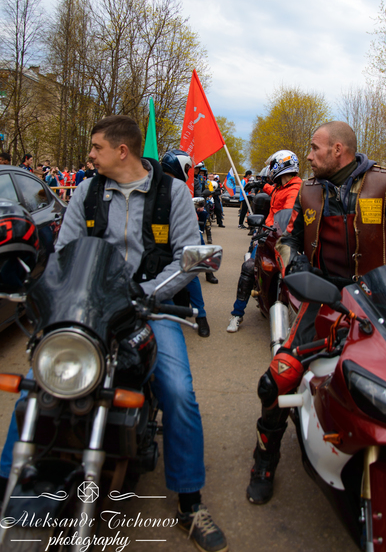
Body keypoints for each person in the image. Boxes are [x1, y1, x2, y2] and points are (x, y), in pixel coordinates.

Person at [0, 116, 227, 552]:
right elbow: (64, 252)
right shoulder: (87, 191)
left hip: (149, 306)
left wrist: (144, 294)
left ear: (122, 150)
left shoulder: (173, 193)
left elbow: (184, 257)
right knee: (39, 381)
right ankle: (7, 481)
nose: (90, 155)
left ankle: (190, 503)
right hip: (91, 305)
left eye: (96, 148)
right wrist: (50, 291)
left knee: (178, 392)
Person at [246, 120, 386, 506]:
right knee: (277, 380)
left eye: (314, 148)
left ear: (338, 150)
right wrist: (295, 264)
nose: (308, 156)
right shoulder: (308, 190)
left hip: (382, 301)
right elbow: (287, 239)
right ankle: (265, 459)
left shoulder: (385, 183)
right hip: (323, 300)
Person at [227, 151, 302, 333]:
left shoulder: (295, 189)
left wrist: (275, 232)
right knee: (248, 267)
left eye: (273, 165)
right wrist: (260, 184)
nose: (270, 169)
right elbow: (273, 192)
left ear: (281, 165)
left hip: (280, 238)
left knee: (291, 273)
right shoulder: (281, 186)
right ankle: (237, 314)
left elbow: (288, 216)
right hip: (266, 235)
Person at [161, 148, 213, 336]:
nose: (190, 171)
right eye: (188, 168)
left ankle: (201, 315)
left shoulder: (181, 187)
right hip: (160, 235)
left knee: (191, 266)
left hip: (182, 233)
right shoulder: (154, 184)